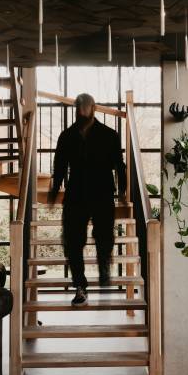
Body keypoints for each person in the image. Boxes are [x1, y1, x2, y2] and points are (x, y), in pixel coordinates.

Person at [48, 93, 126, 306]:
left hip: (102, 192)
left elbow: (119, 164)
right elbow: (60, 167)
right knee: (73, 242)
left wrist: (123, 189)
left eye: (86, 106)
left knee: (104, 236)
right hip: (76, 194)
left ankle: (103, 268)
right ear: (75, 109)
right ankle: (80, 286)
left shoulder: (109, 135)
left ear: (93, 108)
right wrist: (54, 193)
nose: (82, 110)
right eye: (79, 107)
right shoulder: (67, 136)